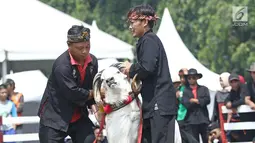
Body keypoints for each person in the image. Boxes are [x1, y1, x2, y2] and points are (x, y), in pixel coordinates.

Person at [122, 4, 177, 143]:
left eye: (133, 22)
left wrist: (131, 69)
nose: (130, 27)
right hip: (153, 103)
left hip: (160, 103)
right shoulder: (146, 40)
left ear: (145, 22)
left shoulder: (149, 40)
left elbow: (147, 68)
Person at [38, 25, 99, 143]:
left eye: (88, 46)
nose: (85, 51)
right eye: (80, 48)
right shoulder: (62, 66)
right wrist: (94, 93)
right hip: (55, 117)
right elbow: (72, 92)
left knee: (90, 139)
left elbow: (91, 85)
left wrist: (95, 108)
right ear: (69, 45)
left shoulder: (93, 61)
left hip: (78, 115)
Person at [181, 68, 210, 143]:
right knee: (194, 141)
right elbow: (185, 102)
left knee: (206, 139)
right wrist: (195, 101)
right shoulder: (185, 90)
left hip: (203, 118)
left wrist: (196, 101)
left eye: (193, 77)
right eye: (189, 78)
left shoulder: (204, 89)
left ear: (197, 78)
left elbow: (207, 100)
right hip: (191, 120)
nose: (191, 79)